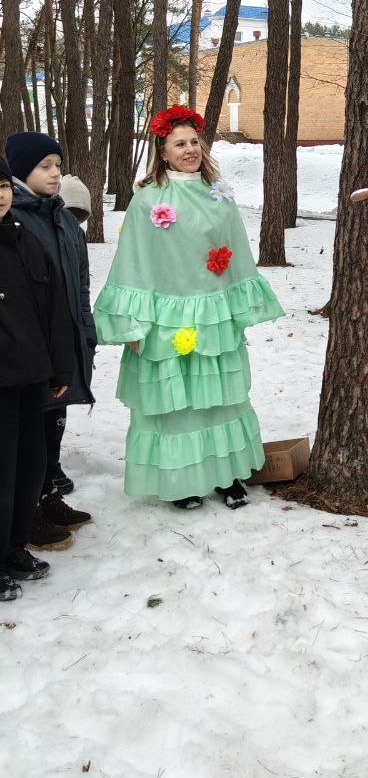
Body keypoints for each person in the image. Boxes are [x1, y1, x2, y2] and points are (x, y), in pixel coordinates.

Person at [93, 105, 283, 509]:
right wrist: (133, 324)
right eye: (179, 144)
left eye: (194, 142)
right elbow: (134, 260)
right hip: (165, 320)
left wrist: (236, 307)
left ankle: (226, 476)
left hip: (213, 317)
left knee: (220, 401)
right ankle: (183, 482)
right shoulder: (148, 200)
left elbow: (236, 251)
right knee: (176, 405)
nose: (190, 149)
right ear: (162, 152)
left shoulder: (219, 195)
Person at [4, 132, 96, 549]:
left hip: (65, 340)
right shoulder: (14, 219)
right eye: (45, 166)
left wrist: (86, 332)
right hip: (31, 348)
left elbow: (81, 283)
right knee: (32, 432)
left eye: (58, 165)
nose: (56, 173)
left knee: (55, 423)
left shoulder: (63, 218)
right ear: (21, 171)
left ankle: (47, 496)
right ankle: (29, 511)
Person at [0, 158, 75, 602]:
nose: (1, 195)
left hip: (29, 376)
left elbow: (54, 307)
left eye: (3, 185)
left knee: (26, 467)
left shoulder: (23, 239)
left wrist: (60, 366)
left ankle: (12, 546)